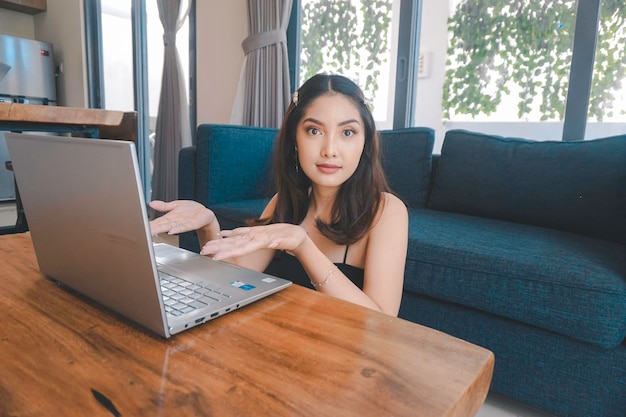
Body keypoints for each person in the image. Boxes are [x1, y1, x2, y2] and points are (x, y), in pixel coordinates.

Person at [149, 74, 408, 316]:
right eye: (314, 131)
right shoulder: (284, 203)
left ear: (365, 142)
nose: (330, 150)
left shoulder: (387, 212)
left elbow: (381, 323)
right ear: (295, 139)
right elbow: (230, 279)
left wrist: (303, 245)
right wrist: (208, 224)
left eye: (347, 133)